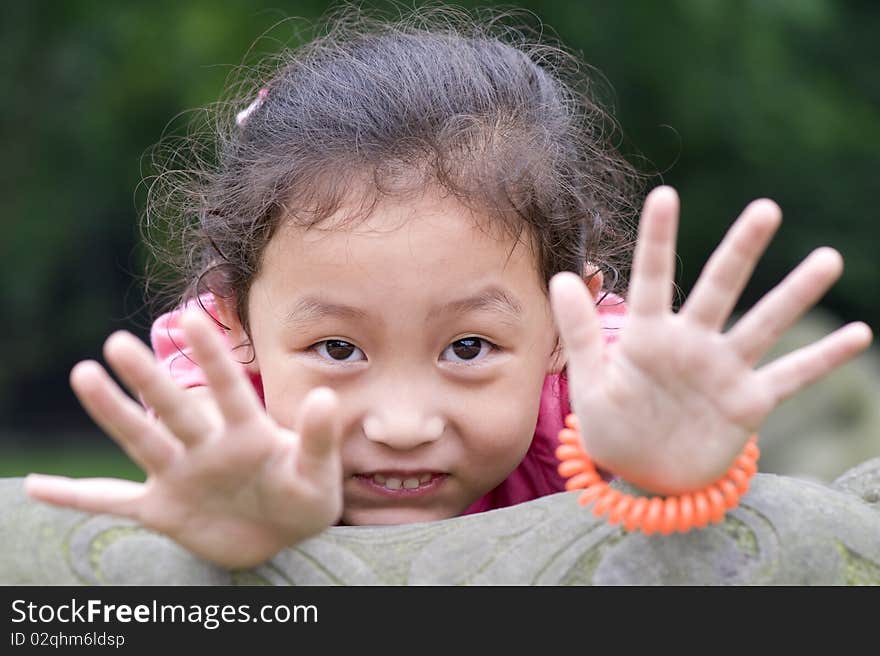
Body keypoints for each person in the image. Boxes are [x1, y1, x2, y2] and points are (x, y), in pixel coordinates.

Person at [24, 4, 873, 568]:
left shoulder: (607, 402)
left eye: (467, 347)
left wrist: (667, 481)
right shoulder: (219, 416)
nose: (403, 426)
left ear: (555, 328)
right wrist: (229, 551)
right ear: (238, 322)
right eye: (336, 348)